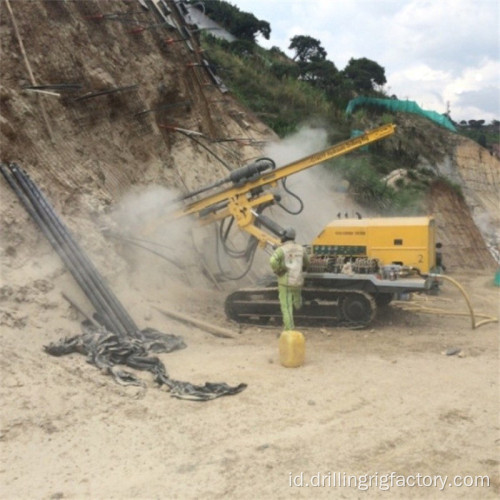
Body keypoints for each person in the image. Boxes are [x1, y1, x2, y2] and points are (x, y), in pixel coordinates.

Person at [269, 227, 309, 331]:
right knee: (297, 300)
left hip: (285, 283)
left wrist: (278, 270)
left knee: (286, 307)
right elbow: (307, 262)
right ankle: (300, 309)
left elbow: (272, 261)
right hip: (298, 281)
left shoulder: (281, 250)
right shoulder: (301, 248)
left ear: (285, 237)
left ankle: (289, 329)